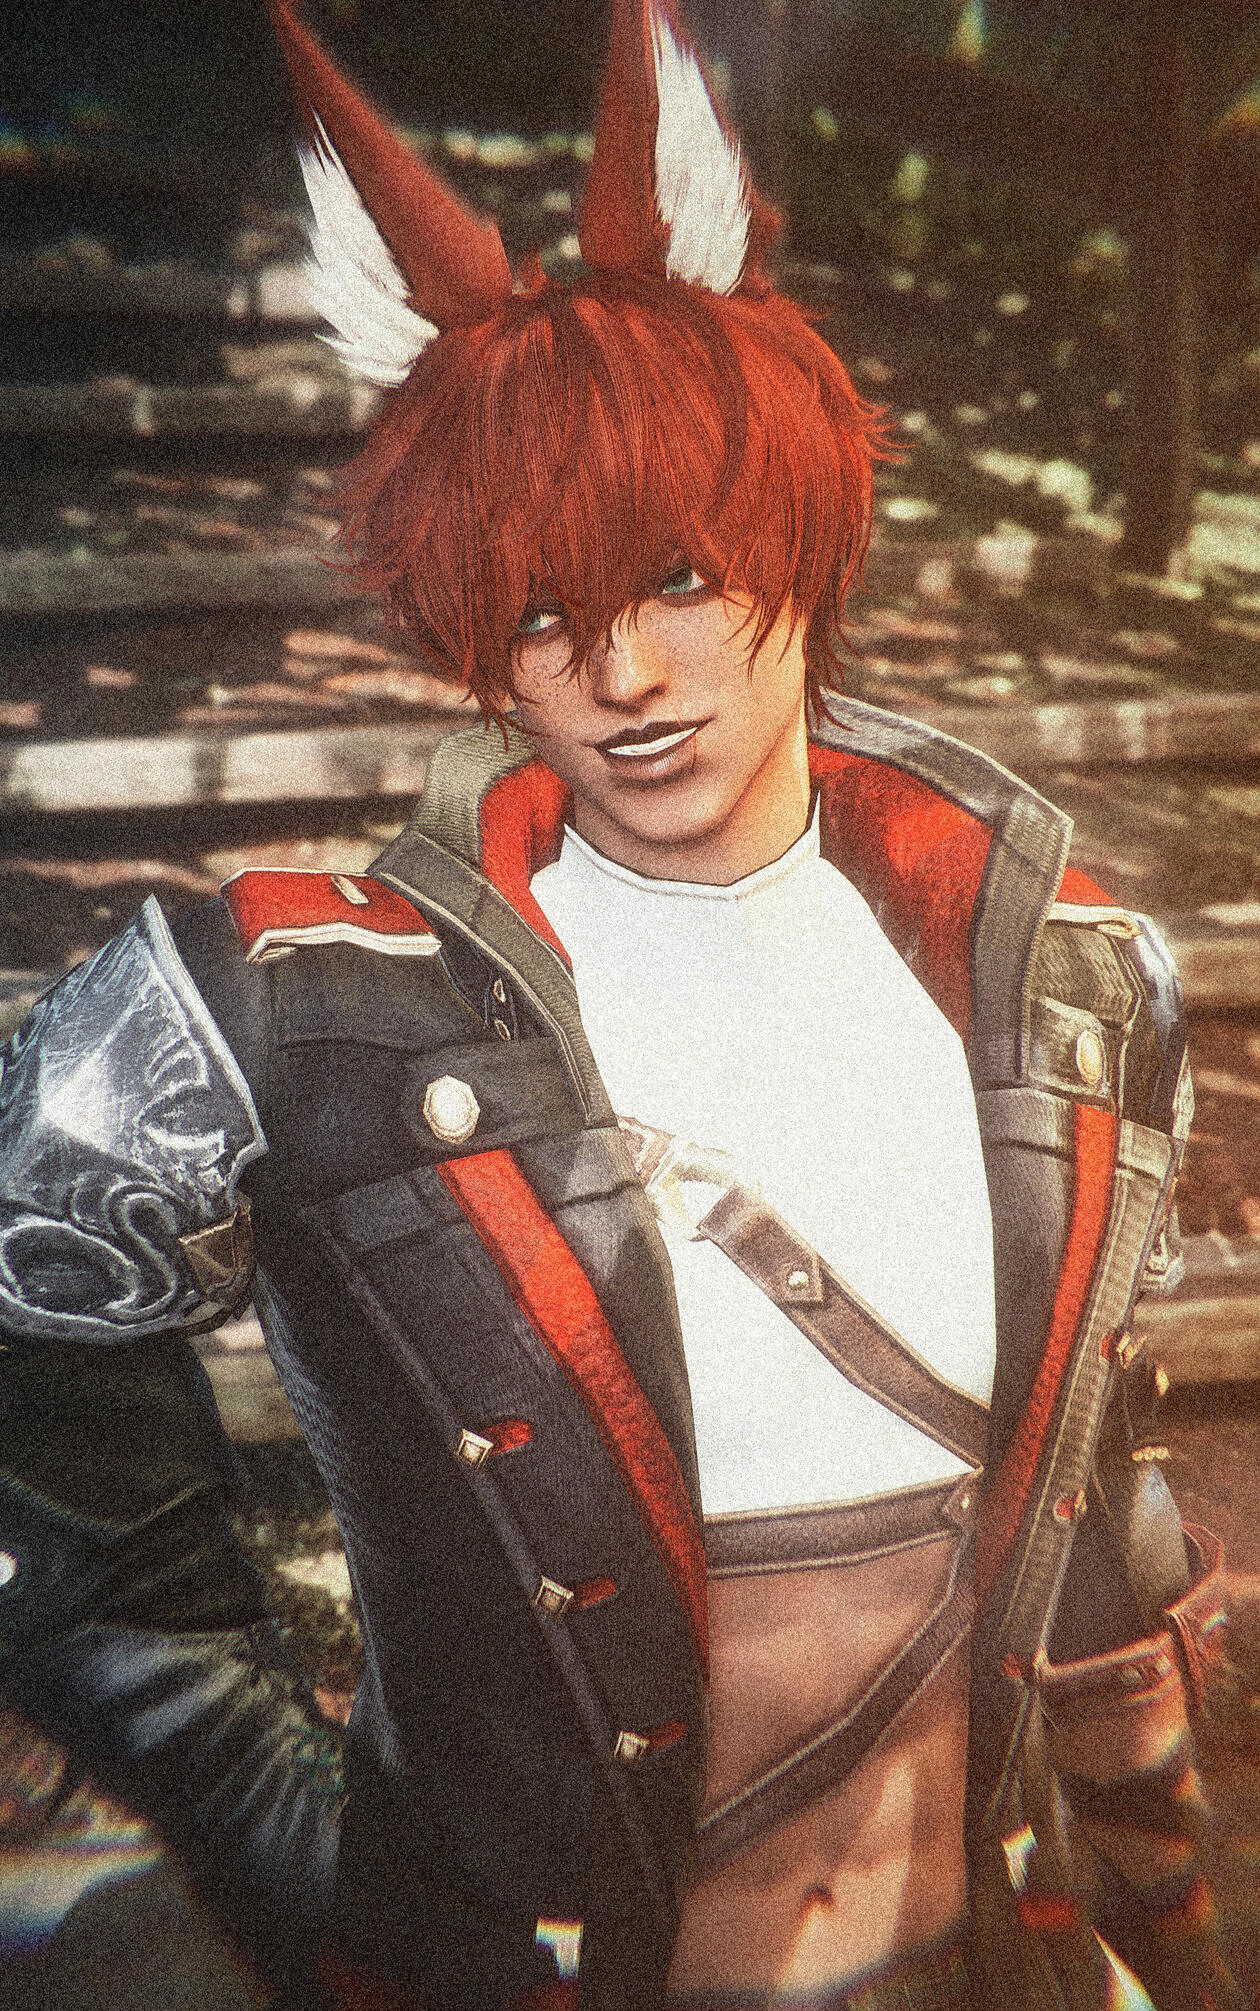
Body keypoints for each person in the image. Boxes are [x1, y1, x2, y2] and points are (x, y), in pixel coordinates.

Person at [0, 2, 1245, 2007]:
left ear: (797, 536)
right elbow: (35, 1353)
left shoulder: (1068, 975)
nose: (625, 675)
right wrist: (283, 1820)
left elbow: (1098, 1510)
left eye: (676, 576)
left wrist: (1167, 1928)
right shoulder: (297, 1010)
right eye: (541, 613)